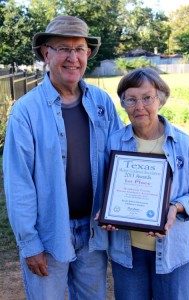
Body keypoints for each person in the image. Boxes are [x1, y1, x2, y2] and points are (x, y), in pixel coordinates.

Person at [3, 15, 122, 300]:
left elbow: (121, 158)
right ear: (46, 53)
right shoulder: (26, 112)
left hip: (93, 231)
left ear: (88, 53)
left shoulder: (101, 102)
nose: (73, 58)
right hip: (49, 233)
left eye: (79, 49)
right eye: (63, 49)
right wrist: (30, 243)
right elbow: (18, 183)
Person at [103, 68, 189, 300]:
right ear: (123, 103)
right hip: (128, 252)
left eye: (147, 98)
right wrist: (107, 210)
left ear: (161, 99)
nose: (139, 106)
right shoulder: (114, 142)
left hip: (174, 252)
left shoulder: (184, 145)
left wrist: (175, 207)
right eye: (131, 99)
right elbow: (105, 188)